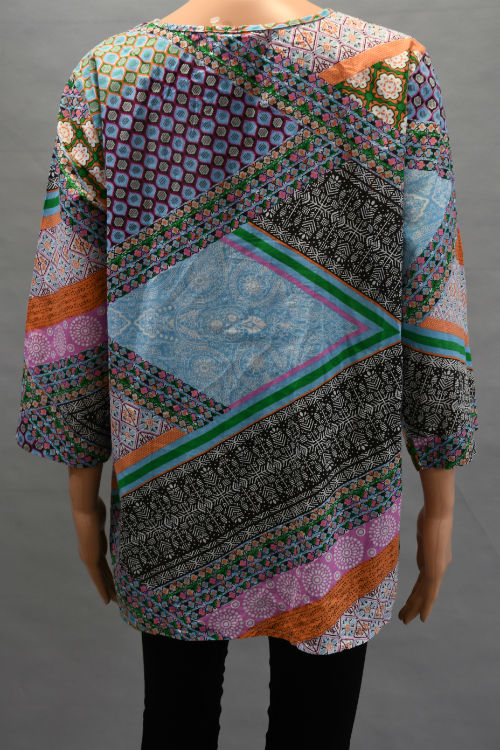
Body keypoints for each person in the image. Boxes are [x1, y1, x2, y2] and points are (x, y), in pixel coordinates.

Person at [15, 2, 479, 748]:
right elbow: (430, 287)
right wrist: (440, 497)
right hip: (332, 475)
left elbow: (69, 288)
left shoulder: (111, 74)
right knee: (315, 729)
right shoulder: (390, 69)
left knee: (175, 721)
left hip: (170, 477)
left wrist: (83, 489)